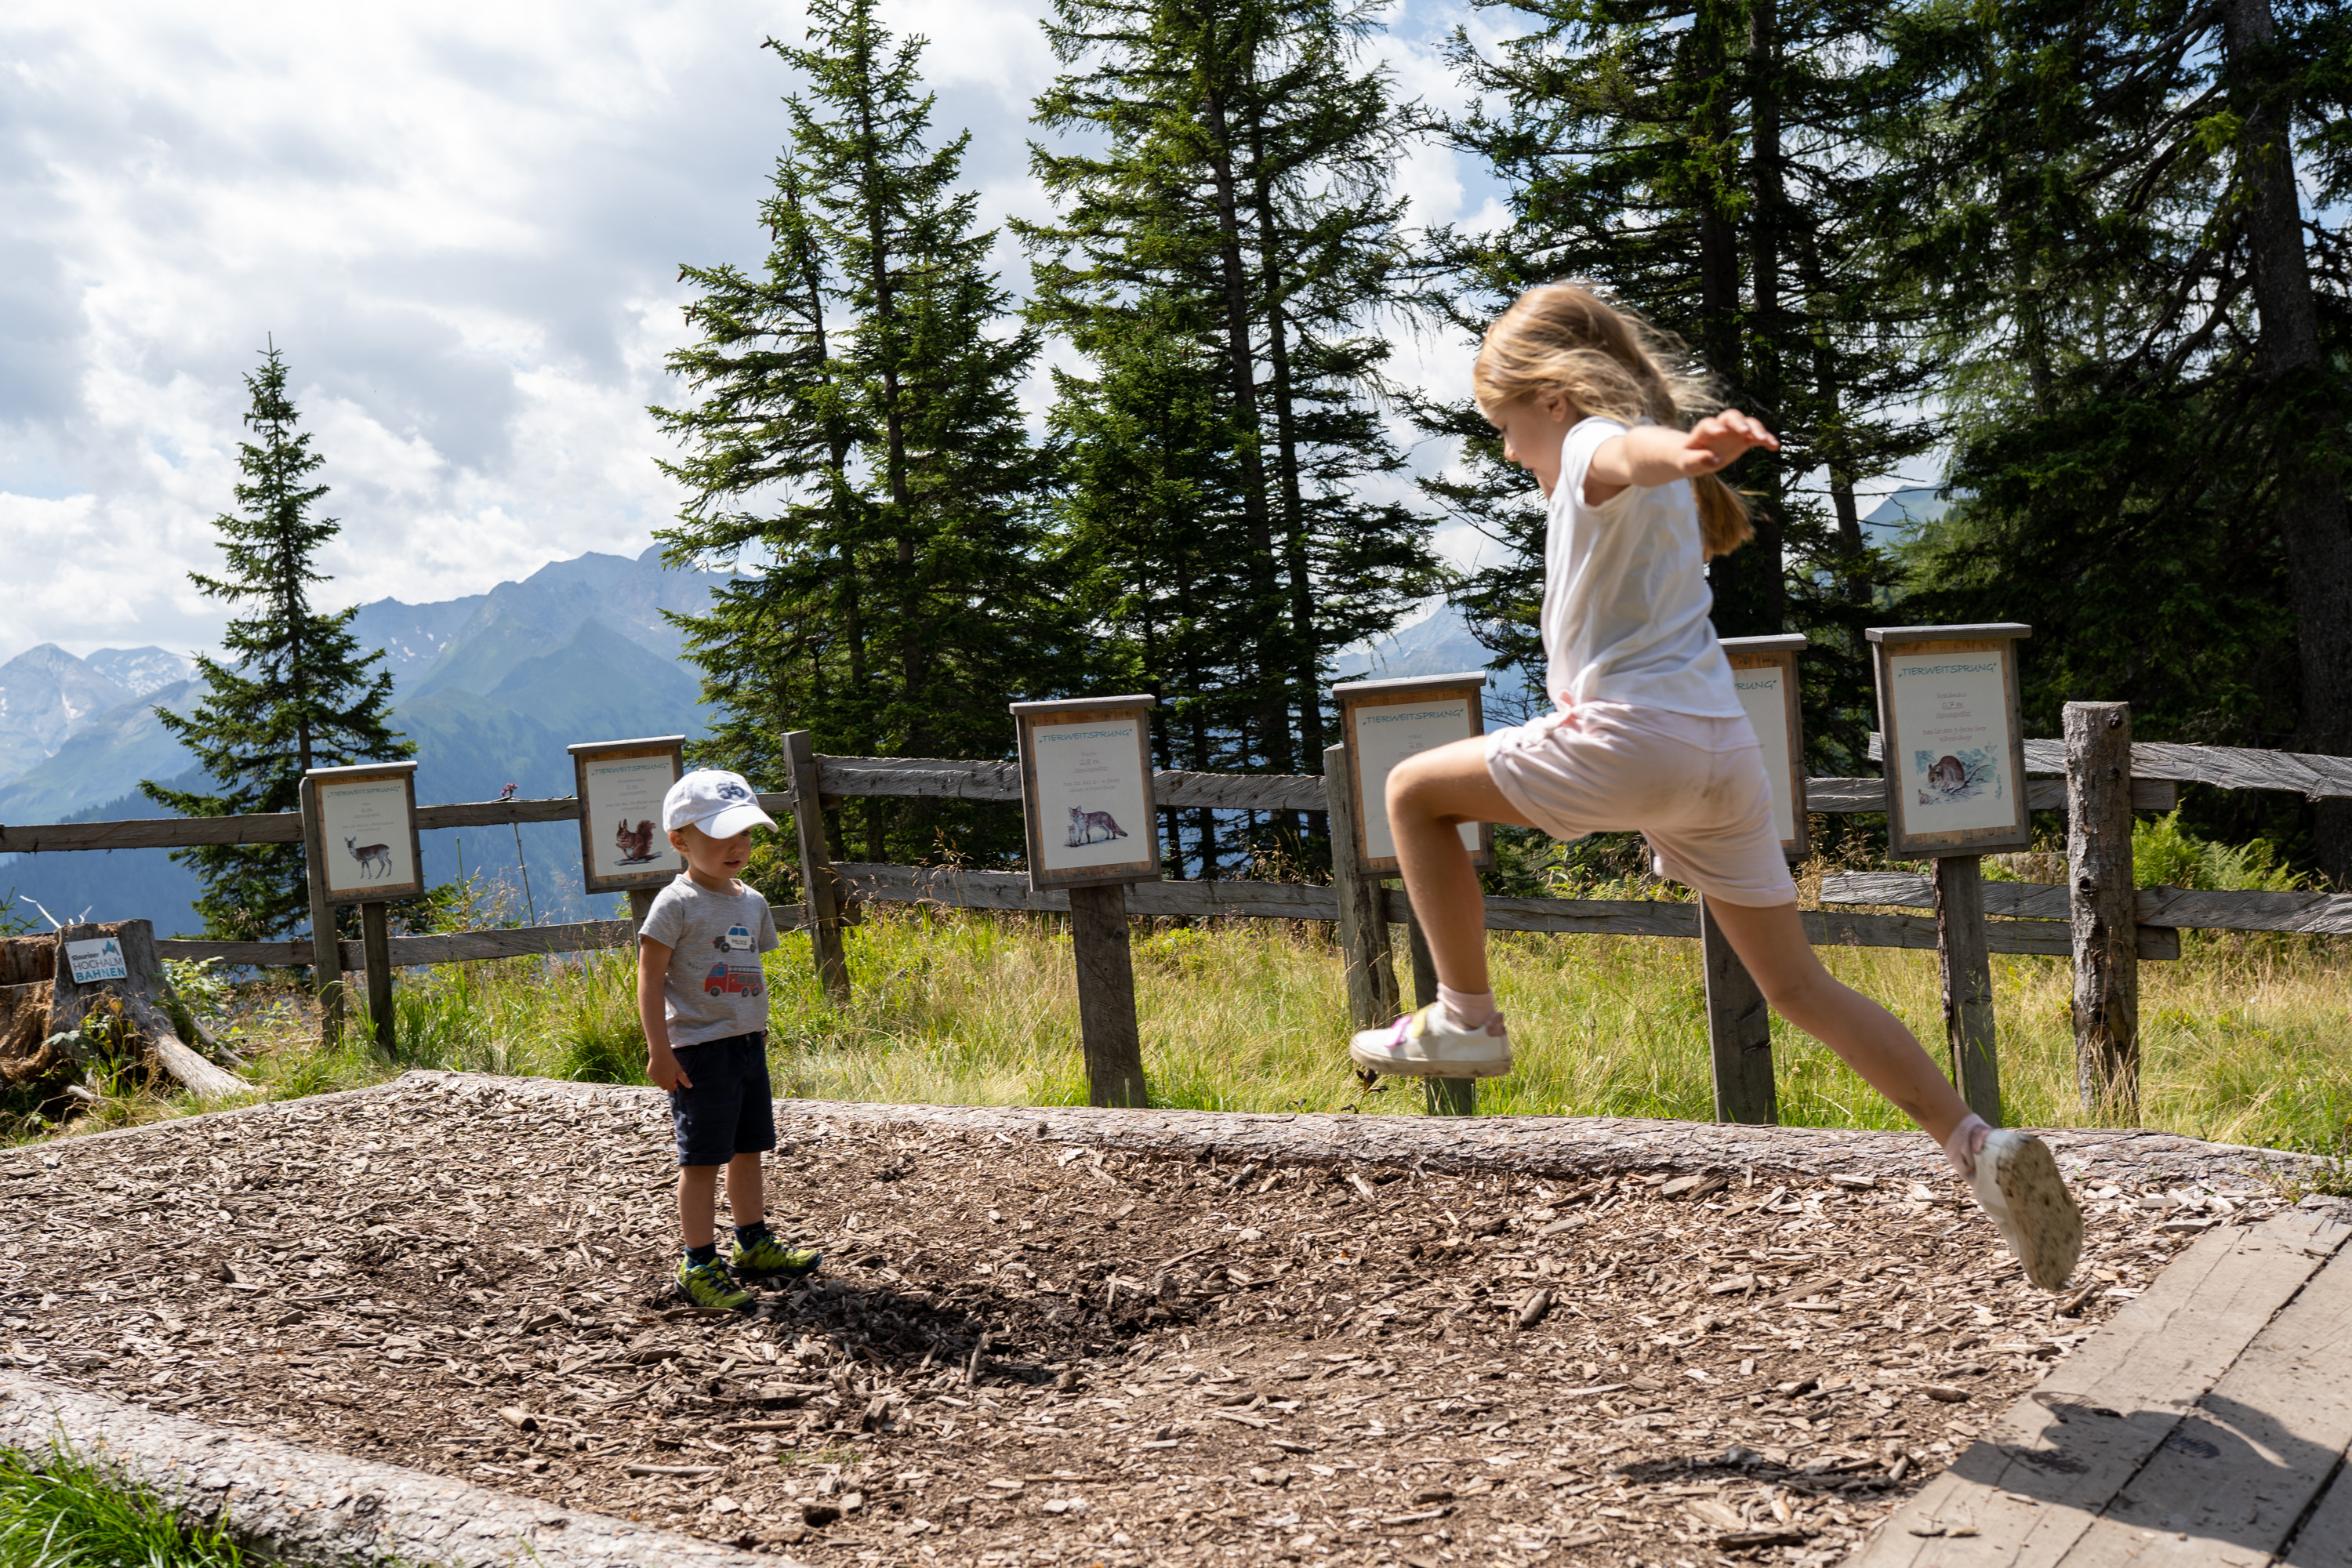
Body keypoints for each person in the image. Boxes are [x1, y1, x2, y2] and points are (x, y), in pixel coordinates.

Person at [1348, 283, 2082, 1290]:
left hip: (1633, 740)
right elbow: (1640, 458)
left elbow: (1623, 448)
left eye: (1505, 425)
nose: (1509, 451)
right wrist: (1688, 457)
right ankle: (1976, 1147)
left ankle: (1465, 1016)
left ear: (1552, 398)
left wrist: (1688, 448)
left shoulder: (1597, 446)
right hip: (1724, 756)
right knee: (1798, 985)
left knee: (1410, 791)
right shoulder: (1654, 492)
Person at [637, 768, 822, 1309]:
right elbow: (649, 978)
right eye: (720, 835)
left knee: (748, 1149)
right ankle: (698, 1264)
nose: (737, 846)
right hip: (699, 1051)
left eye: (744, 833)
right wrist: (659, 1051)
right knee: (701, 1161)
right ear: (680, 841)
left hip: (746, 1046)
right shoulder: (675, 903)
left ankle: (753, 1243)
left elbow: (744, 963)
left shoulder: (752, 902)